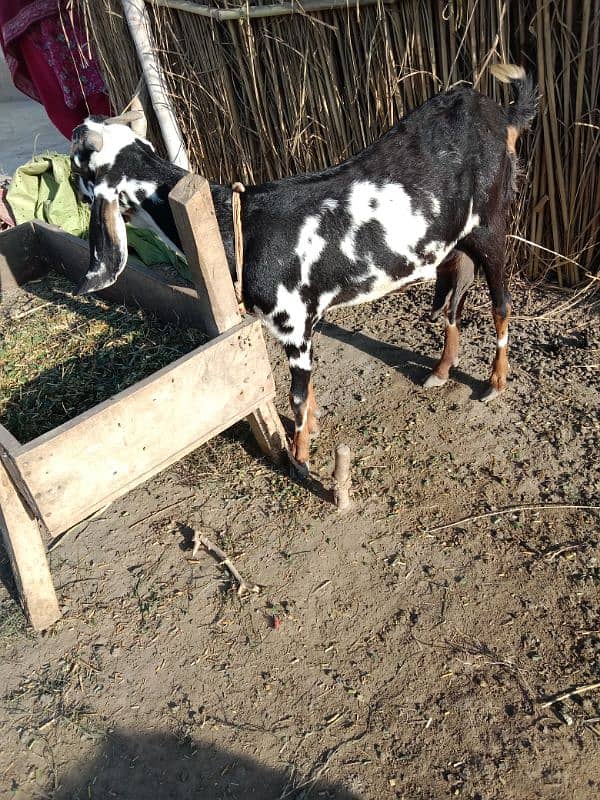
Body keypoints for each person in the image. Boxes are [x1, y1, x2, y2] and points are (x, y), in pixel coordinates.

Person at [0, 0, 111, 138]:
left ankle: (102, 141)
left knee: (92, 80)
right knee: (58, 88)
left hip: (65, 10)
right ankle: (94, 143)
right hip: (28, 14)